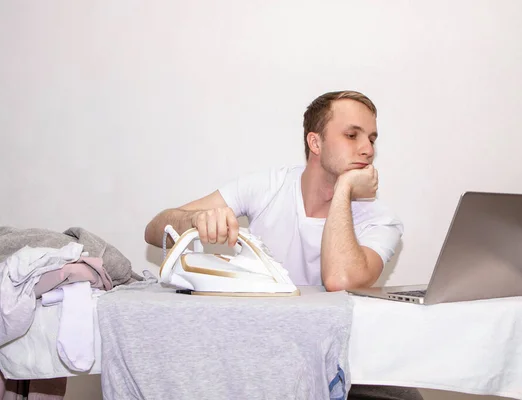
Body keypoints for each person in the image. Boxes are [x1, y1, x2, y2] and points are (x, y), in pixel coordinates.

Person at [144, 90, 422, 400]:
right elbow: (155, 229)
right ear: (315, 143)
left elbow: (339, 279)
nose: (367, 149)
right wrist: (195, 222)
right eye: (351, 135)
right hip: (261, 349)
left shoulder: (382, 220)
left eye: (371, 138)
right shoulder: (267, 187)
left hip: (342, 358)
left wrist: (343, 189)